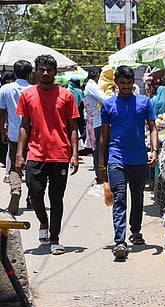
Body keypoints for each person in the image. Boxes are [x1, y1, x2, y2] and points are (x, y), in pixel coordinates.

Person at [15, 54, 80, 255]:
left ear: (55, 72)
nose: (45, 73)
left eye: (49, 70)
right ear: (35, 71)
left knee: (56, 198)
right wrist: (19, 153)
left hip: (60, 154)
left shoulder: (66, 96)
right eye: (41, 69)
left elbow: (73, 127)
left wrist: (74, 153)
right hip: (35, 153)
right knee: (34, 193)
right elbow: (24, 126)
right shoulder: (27, 95)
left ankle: (55, 238)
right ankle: (43, 220)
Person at [98, 65, 158, 259]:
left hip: (139, 159)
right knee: (120, 199)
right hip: (116, 158)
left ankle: (136, 230)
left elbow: (153, 128)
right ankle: (119, 241)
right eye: (122, 83)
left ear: (133, 82)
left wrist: (154, 150)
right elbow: (104, 136)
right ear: (116, 83)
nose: (126, 86)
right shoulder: (108, 105)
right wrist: (101, 163)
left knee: (138, 196)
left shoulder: (144, 103)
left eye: (129, 83)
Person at [0, 60, 33, 215]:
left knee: (14, 165)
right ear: (29, 73)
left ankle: (16, 189)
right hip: (34, 134)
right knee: (33, 167)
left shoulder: (6, 89)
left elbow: (1, 114)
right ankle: (32, 196)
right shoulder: (35, 90)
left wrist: (2, 131)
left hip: (14, 133)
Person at [83, 66, 109, 184]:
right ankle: (100, 176)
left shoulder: (92, 85)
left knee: (99, 149)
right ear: (98, 75)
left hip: (96, 121)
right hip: (97, 122)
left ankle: (101, 174)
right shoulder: (92, 86)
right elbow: (105, 99)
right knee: (99, 149)